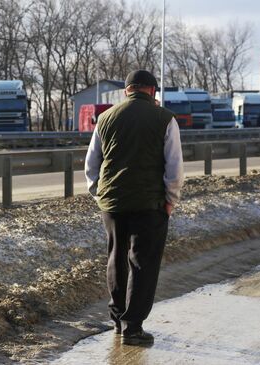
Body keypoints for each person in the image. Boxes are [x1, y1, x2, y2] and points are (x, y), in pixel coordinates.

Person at [84, 70, 184, 346]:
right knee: (143, 262)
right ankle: (133, 327)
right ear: (152, 91)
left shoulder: (105, 118)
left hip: (112, 204)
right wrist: (170, 201)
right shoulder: (165, 118)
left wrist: (99, 194)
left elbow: (92, 164)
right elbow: (174, 166)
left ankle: (117, 320)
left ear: (126, 90)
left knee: (116, 258)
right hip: (149, 204)